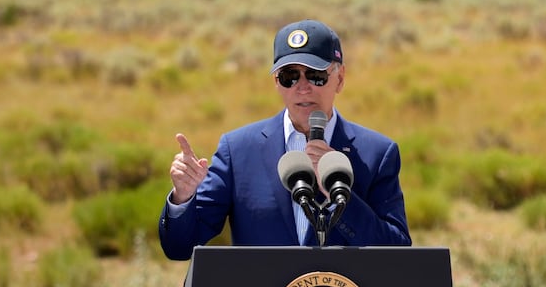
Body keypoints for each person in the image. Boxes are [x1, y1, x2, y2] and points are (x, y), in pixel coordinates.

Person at [159, 18, 411, 260]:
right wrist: (183, 198)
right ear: (276, 83)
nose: (303, 87)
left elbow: (397, 251)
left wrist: (337, 195)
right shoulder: (238, 151)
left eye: (315, 75)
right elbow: (180, 247)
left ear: (340, 78)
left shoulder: (376, 154)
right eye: (289, 76)